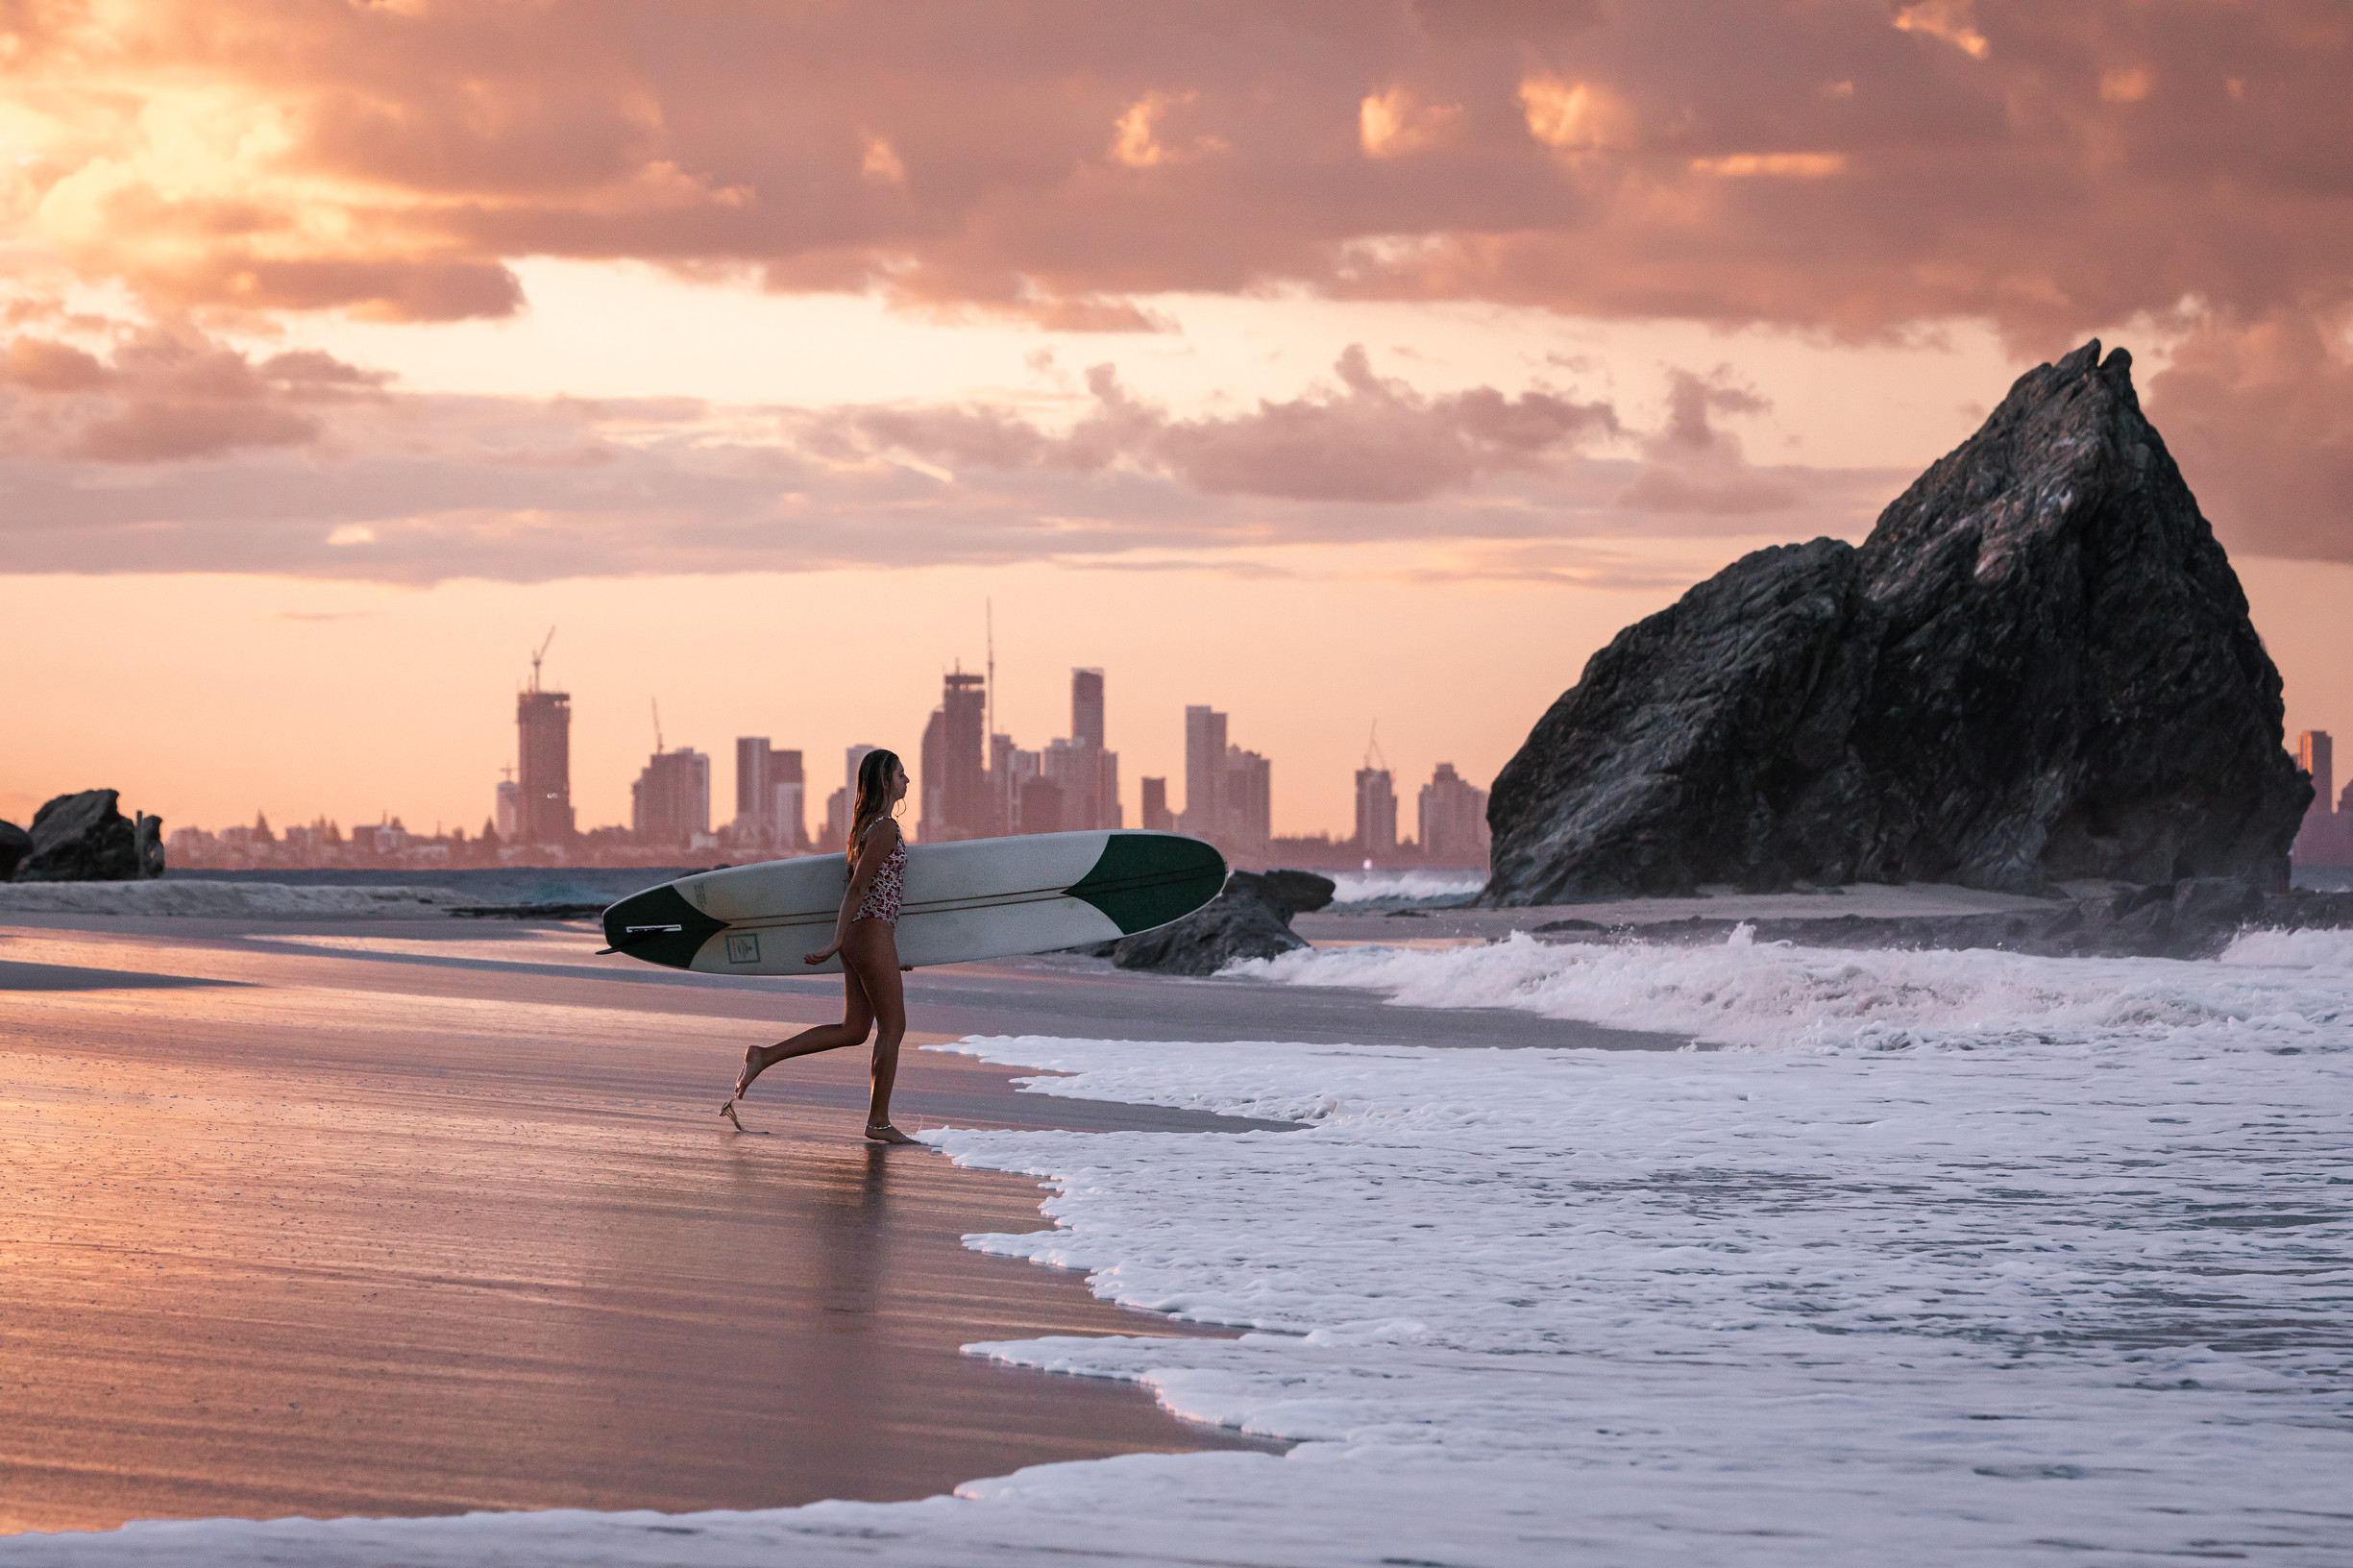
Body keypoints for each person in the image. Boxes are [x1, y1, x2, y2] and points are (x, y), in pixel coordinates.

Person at [721, 748, 919, 1144]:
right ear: (884, 781)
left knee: (854, 1029)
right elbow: (860, 887)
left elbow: (867, 888)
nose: (907, 780)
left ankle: (764, 1055)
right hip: (871, 934)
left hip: (868, 937)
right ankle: (878, 1122)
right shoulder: (885, 829)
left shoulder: (865, 828)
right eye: (900, 774)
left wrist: (856, 944)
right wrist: (837, 940)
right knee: (893, 1028)